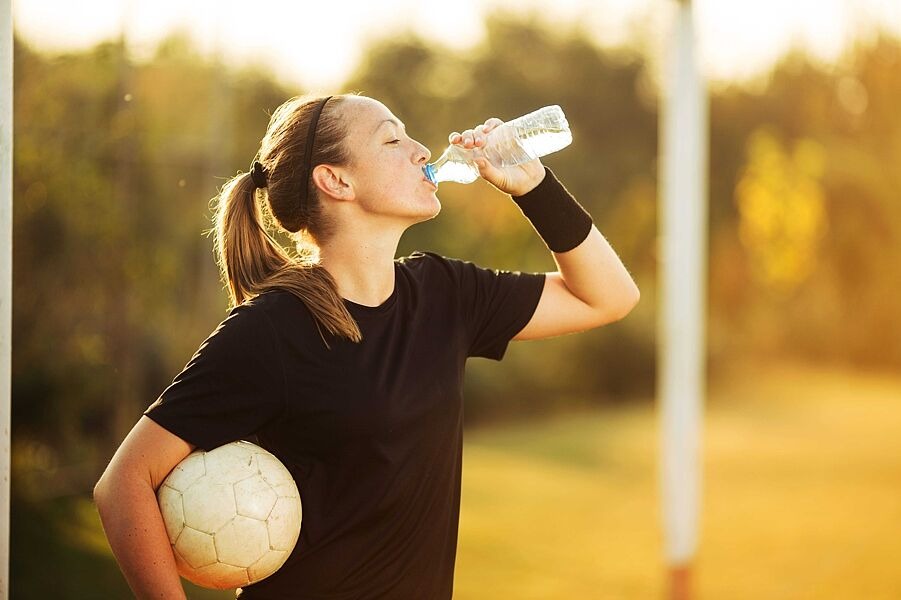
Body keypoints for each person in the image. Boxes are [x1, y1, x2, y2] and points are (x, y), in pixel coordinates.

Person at [93, 93, 640, 600]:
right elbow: (123, 485)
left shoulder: (445, 293)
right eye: (392, 139)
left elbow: (608, 297)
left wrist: (536, 186)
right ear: (336, 181)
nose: (422, 150)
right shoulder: (273, 330)